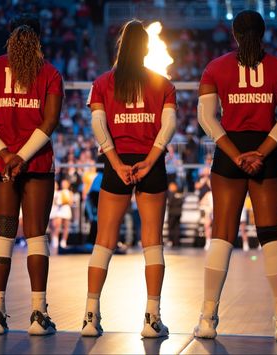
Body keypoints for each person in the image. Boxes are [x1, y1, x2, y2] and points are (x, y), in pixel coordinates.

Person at [195, 10, 277, 340]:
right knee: (271, 235)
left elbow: (207, 120)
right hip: (267, 154)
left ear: (235, 34)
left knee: (222, 233)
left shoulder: (215, 68)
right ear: (263, 33)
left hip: (229, 155)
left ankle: (208, 318)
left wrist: (236, 154)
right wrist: (261, 153)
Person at [82, 20, 177, 338]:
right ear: (147, 49)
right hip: (151, 167)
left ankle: (90, 317)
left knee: (103, 242)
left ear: (120, 46)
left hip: (116, 165)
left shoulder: (102, 82)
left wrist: (116, 163)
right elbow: (169, 126)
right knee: (153, 243)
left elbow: (99, 125)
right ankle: (152, 319)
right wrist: (150, 161)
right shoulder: (163, 84)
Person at [0, 14, 64, 335]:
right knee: (36, 235)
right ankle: (38, 314)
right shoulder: (49, 72)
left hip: (2, 167)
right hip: (36, 165)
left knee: (4, 234)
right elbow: (49, 123)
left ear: (9, 36)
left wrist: (6, 155)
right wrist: (23, 156)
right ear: (39, 38)